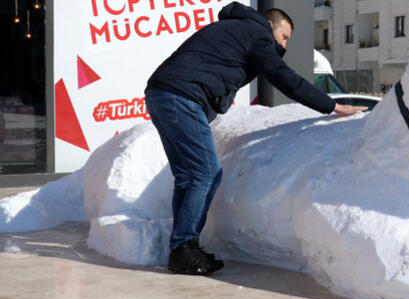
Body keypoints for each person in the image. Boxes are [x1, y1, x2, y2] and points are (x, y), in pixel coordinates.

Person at [145, 2, 365, 276]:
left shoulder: (234, 29)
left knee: (189, 175)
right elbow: (283, 77)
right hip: (181, 97)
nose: (283, 46)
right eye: (284, 38)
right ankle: (184, 248)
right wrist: (332, 106)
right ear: (270, 25)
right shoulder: (256, 32)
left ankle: (183, 247)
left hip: (162, 94)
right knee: (205, 172)